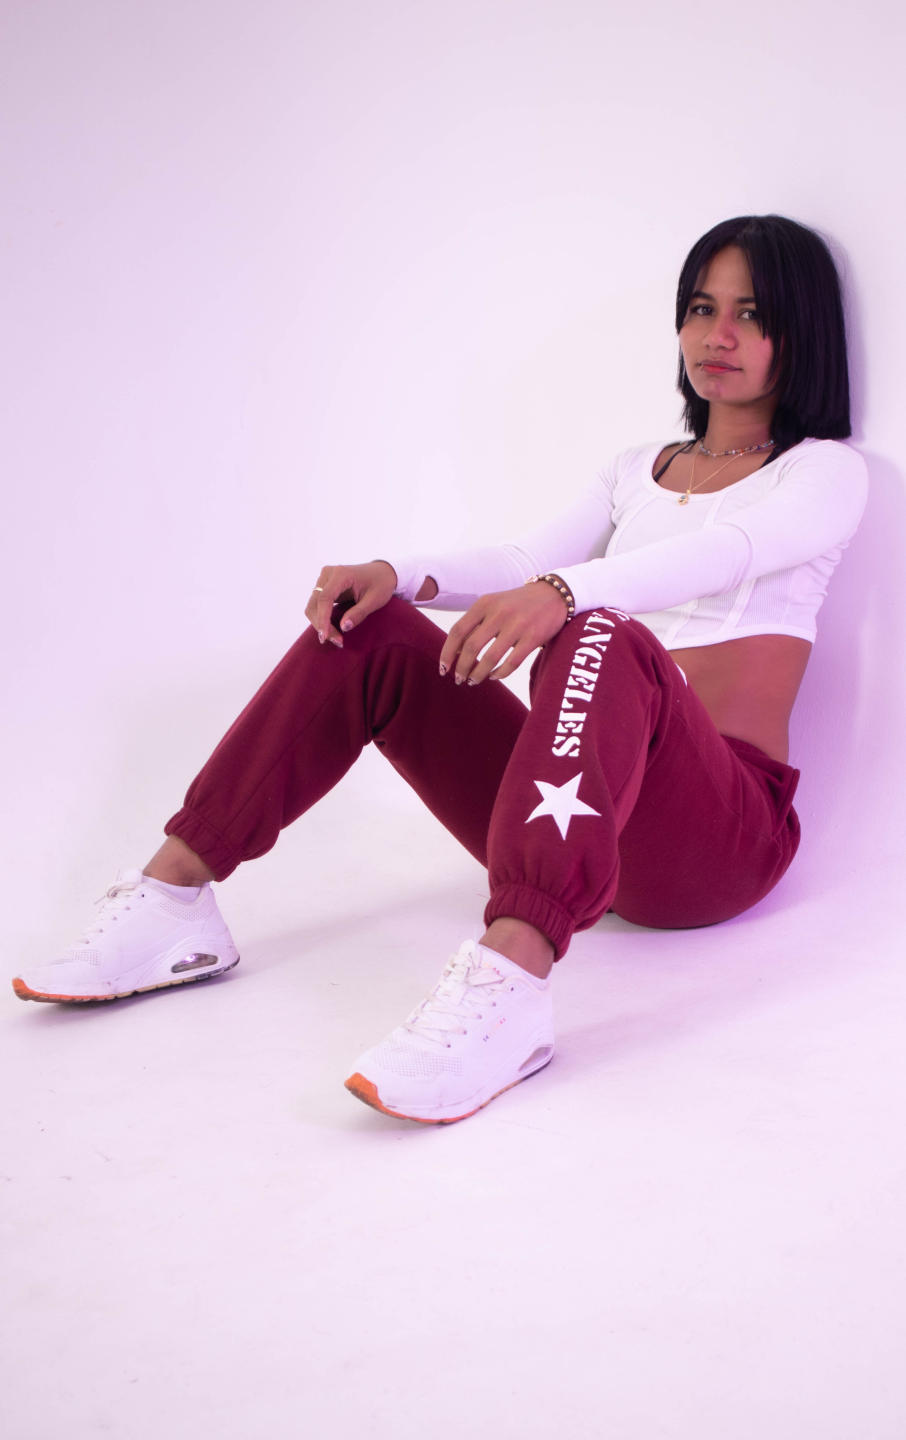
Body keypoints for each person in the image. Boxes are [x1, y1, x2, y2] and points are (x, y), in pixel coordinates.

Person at [14, 214, 867, 1127]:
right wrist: (402, 574)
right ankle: (175, 896)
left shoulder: (822, 474)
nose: (718, 334)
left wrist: (562, 594)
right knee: (375, 628)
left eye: (751, 314)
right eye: (701, 308)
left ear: (802, 334)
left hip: (718, 844)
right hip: (588, 825)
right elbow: (522, 557)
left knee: (603, 634)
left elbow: (725, 554)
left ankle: (512, 987)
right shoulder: (636, 469)